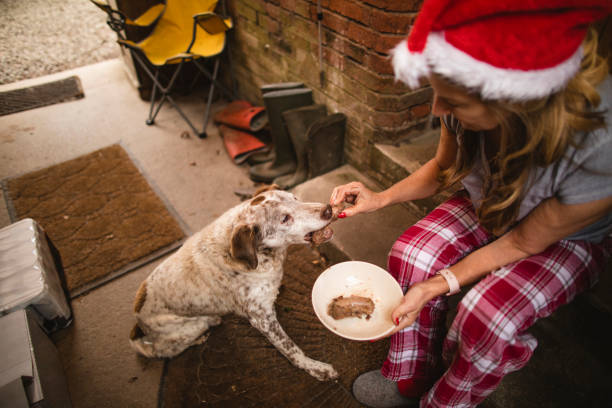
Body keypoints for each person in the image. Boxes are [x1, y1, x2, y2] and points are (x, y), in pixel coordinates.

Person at [329, 1, 612, 407]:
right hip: (494, 203)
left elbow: (523, 243)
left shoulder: (599, 143)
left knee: (487, 317)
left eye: (455, 103)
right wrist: (380, 199)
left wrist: (440, 283)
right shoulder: (460, 100)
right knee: (411, 254)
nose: (438, 110)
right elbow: (444, 167)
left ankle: (447, 398)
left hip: (564, 239)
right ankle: (411, 372)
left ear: (513, 103)